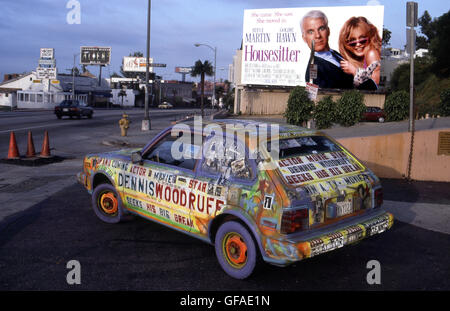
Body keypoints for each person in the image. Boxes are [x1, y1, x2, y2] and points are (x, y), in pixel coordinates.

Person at [301, 10, 354, 89]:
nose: (318, 35)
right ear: (304, 38)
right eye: (311, 32)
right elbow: (313, 98)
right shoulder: (313, 68)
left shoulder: (335, 53)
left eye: (321, 28)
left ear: (328, 31)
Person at [338, 16, 382, 90]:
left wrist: (355, 71)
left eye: (362, 40)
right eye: (352, 42)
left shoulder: (371, 53)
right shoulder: (355, 59)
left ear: (370, 37)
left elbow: (375, 87)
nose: (358, 44)